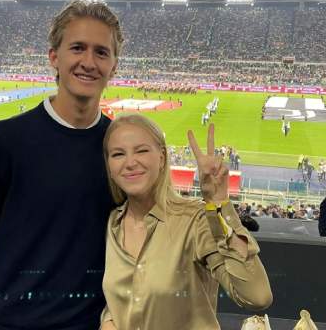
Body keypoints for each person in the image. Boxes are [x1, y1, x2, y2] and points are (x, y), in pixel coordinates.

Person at [0, 0, 123, 329]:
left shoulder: (121, 150)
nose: (89, 62)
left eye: (101, 52)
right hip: (11, 322)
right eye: (77, 48)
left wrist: (216, 202)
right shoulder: (4, 140)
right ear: (54, 56)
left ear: (114, 66)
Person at [100, 118, 272, 329]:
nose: (130, 162)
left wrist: (220, 203)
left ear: (162, 157)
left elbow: (257, 297)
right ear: (109, 165)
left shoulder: (195, 220)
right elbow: (128, 296)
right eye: (118, 154)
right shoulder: (113, 224)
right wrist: (109, 319)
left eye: (141, 151)